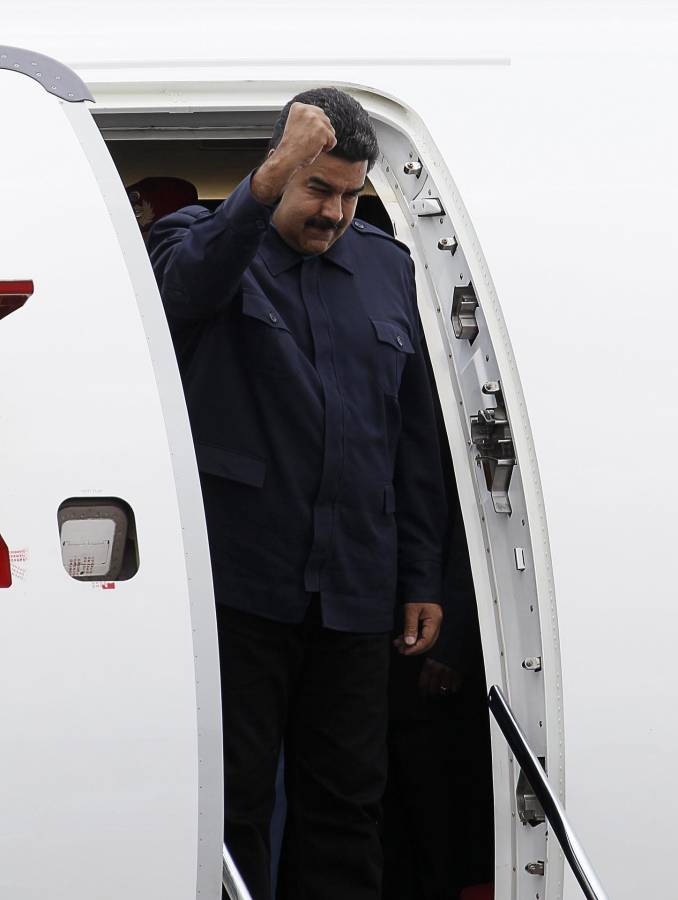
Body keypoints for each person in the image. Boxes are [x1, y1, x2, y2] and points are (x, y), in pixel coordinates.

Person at [147, 87, 448, 900]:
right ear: (279, 173)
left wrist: (423, 577)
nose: (336, 213)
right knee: (234, 800)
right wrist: (271, 176)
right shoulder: (200, 240)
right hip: (242, 584)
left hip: (355, 586)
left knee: (347, 804)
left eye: (352, 195)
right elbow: (181, 296)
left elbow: (413, 437)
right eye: (318, 189)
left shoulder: (388, 267)